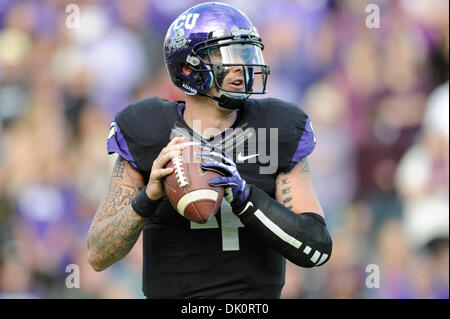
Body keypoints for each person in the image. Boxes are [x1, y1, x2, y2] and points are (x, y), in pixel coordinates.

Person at [87, 2, 332, 298]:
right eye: (229, 55)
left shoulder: (277, 126)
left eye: (246, 52)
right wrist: (148, 198)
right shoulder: (146, 129)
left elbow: (317, 249)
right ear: (189, 67)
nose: (243, 66)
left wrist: (245, 197)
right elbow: (98, 255)